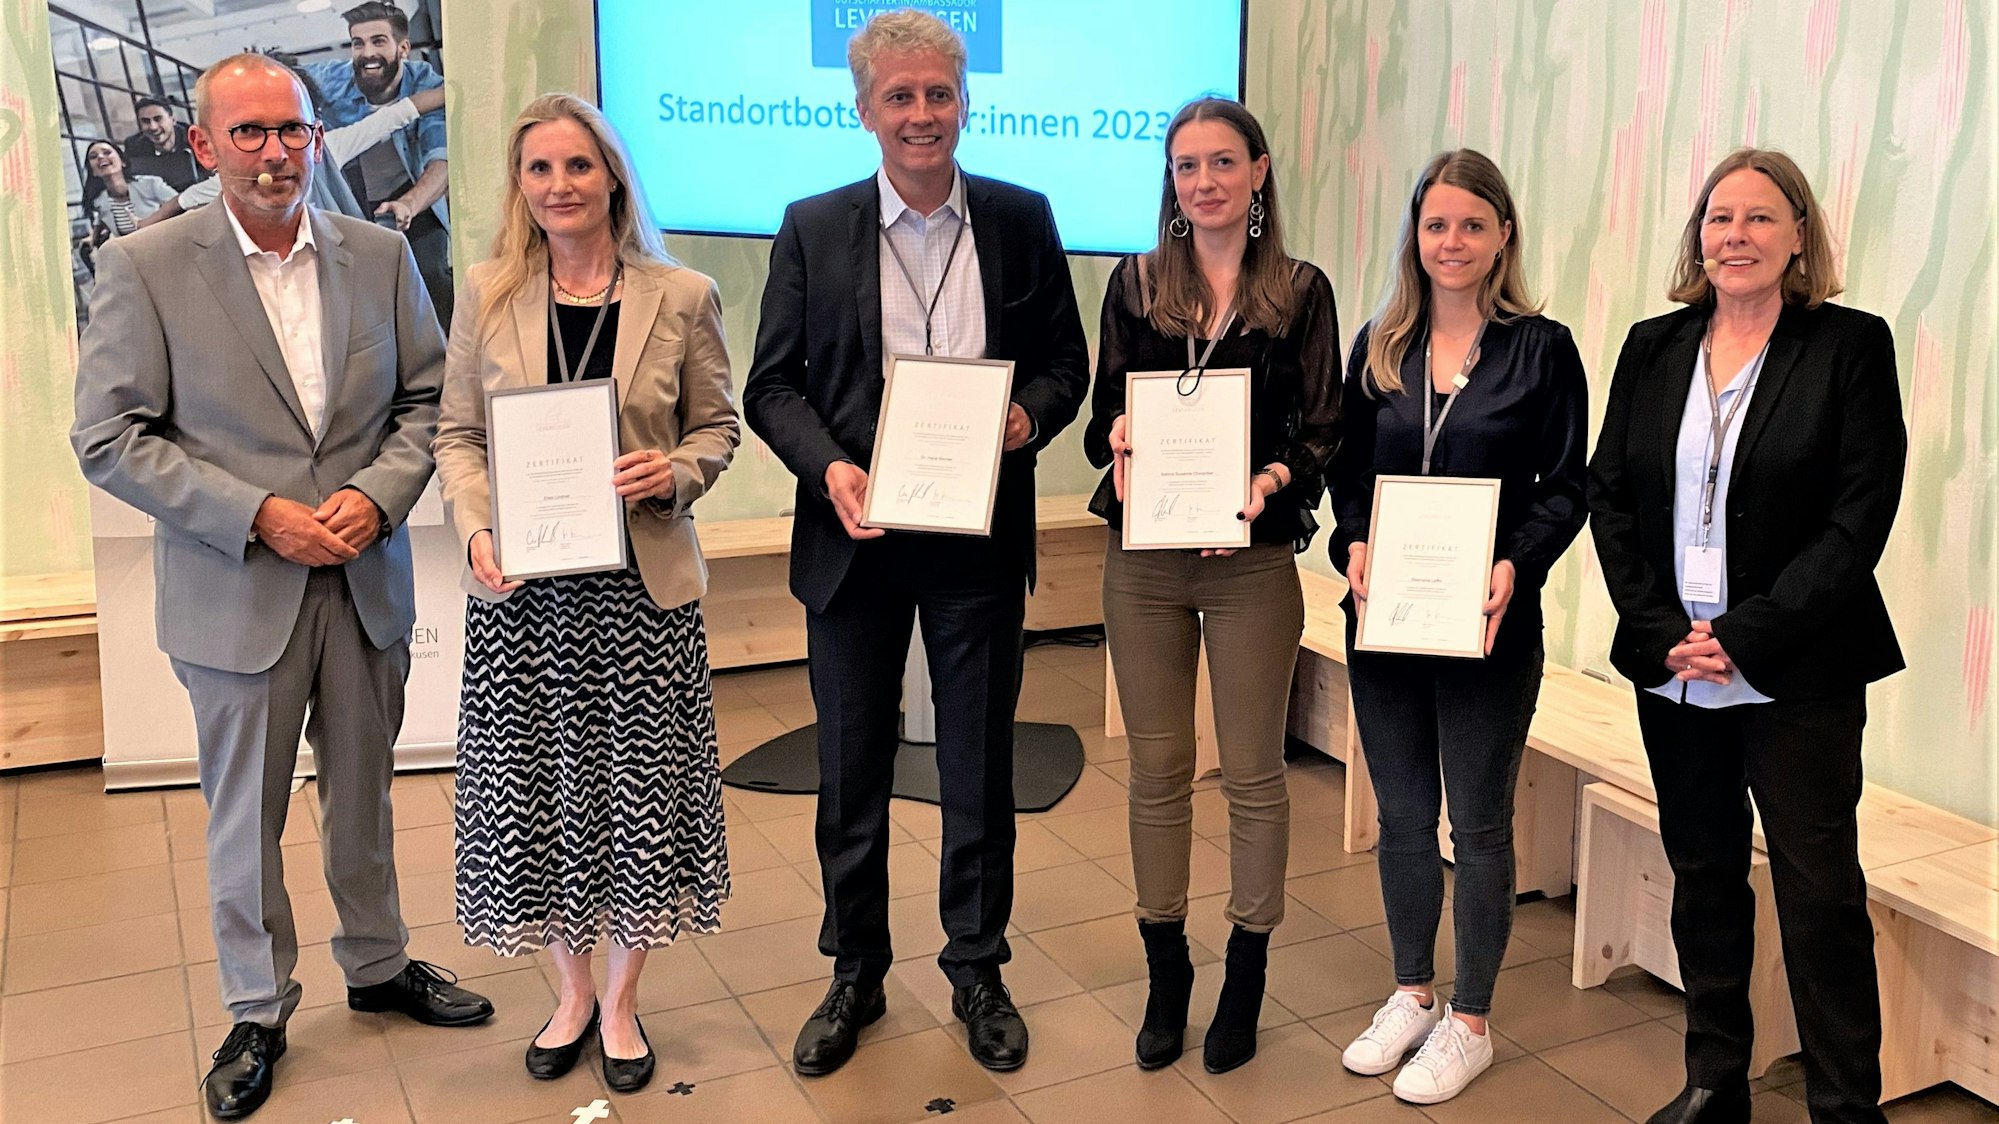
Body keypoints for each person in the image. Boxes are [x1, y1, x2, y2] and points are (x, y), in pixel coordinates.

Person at [69, 54, 491, 1121]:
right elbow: (109, 436)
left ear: (316, 137)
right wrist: (254, 513)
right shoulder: (145, 264)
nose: (273, 155)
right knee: (242, 815)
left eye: (291, 132)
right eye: (248, 134)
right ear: (204, 146)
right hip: (235, 589)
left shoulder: (382, 254)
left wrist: (379, 496)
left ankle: (379, 961)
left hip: (363, 577)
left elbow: (430, 399)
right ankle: (257, 1006)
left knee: (363, 793)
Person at [742, 8, 1089, 1079]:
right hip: (856, 534)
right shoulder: (812, 224)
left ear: (964, 102)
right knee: (851, 766)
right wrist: (832, 470)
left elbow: (1061, 368)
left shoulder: (1022, 219)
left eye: (939, 94)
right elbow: (772, 385)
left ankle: (977, 963)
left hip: (976, 538)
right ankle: (855, 966)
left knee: (978, 764)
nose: (922, 115)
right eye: (900, 97)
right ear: (864, 111)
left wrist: (1024, 419)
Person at [1588, 148, 1906, 1124]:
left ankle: (1845, 1103)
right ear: (1698, 237)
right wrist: (1660, 628)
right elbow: (1611, 495)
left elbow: (1859, 512)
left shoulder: (1848, 344)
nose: (1735, 235)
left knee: (1819, 891)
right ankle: (1715, 1076)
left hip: (1795, 666)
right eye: (1718, 218)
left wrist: (1745, 633)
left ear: (1798, 234)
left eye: (1760, 218)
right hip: (1674, 667)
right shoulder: (1652, 344)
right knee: (1702, 871)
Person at [432, 92, 740, 1095]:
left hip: (640, 600)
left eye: (576, 166)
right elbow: (458, 434)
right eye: (539, 170)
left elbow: (717, 429)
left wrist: (675, 472)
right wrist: (477, 527)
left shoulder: (681, 294)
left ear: (610, 175)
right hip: (525, 600)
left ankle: (620, 999)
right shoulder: (485, 291)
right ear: (521, 187)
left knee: (639, 800)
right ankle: (566, 991)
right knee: (534, 797)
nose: (559, 186)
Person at [1084, 96, 1339, 1075]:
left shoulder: (1300, 291)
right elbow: (1108, 412)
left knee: (1252, 774)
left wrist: (1268, 482)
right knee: (1155, 771)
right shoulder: (1137, 282)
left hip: (1252, 564)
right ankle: (1165, 971)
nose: (1204, 182)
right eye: (1186, 166)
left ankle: (1244, 967)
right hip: (1145, 563)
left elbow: (1321, 429)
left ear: (1259, 171)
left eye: (1222, 162)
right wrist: (1113, 436)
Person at [1327, 149, 1588, 1104]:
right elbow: (1348, 478)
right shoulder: (1379, 345)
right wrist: (1350, 544)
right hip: (1386, 621)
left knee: (1475, 826)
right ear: (1416, 236)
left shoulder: (1542, 349)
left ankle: (1470, 1020)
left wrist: (1514, 563)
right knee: (1400, 817)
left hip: (1487, 626)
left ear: (1503, 236)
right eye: (1436, 225)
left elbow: (1567, 486)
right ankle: (1411, 992)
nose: (1452, 242)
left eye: (1472, 225)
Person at [304, 1, 452, 326]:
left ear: (403, 48)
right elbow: (284, 77)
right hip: (353, 201)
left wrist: (408, 204)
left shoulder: (428, 86)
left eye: (378, 41)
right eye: (358, 43)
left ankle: (446, 360)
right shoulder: (332, 81)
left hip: (412, 195)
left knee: (431, 274)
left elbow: (439, 160)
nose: (367, 52)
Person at [83, 140, 178, 241]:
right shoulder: (99, 201)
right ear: (93, 171)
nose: (100, 157)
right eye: (93, 156)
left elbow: (180, 203)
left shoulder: (151, 183)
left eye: (107, 152)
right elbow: (98, 227)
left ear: (122, 161)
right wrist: (90, 240)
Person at [123, 96, 212, 190]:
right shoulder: (134, 147)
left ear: (173, 120)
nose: (153, 127)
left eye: (158, 119)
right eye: (145, 121)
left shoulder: (196, 139)